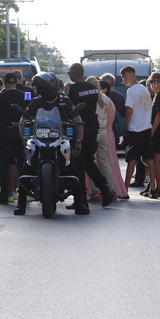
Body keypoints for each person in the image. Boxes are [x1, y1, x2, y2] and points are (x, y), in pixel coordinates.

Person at [13, 73, 85, 215]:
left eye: (40, 87)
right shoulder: (36, 102)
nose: (38, 90)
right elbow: (23, 119)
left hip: (61, 139)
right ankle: (21, 205)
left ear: (49, 87)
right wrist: (24, 138)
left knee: (73, 169)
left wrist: (78, 142)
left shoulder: (65, 101)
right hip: (39, 138)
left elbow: (78, 120)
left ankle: (80, 203)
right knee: (26, 169)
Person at [67, 63, 114, 210]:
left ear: (73, 74)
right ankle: (104, 189)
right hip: (92, 128)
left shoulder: (73, 89)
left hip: (79, 129)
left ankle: (81, 198)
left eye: (69, 73)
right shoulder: (92, 88)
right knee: (87, 161)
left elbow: (69, 110)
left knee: (78, 164)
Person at [0, 71, 28, 205]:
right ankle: (25, 193)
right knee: (22, 164)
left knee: (5, 165)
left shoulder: (0, 96)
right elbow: (29, 113)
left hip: (5, 132)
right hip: (20, 132)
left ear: (5, 83)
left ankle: (3, 195)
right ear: (16, 82)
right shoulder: (24, 95)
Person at [121, 65, 154, 199]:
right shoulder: (145, 90)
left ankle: (124, 190)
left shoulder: (131, 90)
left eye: (125, 76)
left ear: (132, 75)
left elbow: (129, 111)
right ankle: (154, 188)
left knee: (132, 160)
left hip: (135, 129)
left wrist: (125, 127)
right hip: (146, 127)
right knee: (149, 158)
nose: (123, 79)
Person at [94, 78, 128, 200]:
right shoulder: (108, 101)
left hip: (96, 133)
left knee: (94, 163)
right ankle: (114, 190)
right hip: (108, 133)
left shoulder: (92, 100)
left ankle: (96, 192)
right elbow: (111, 120)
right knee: (109, 163)